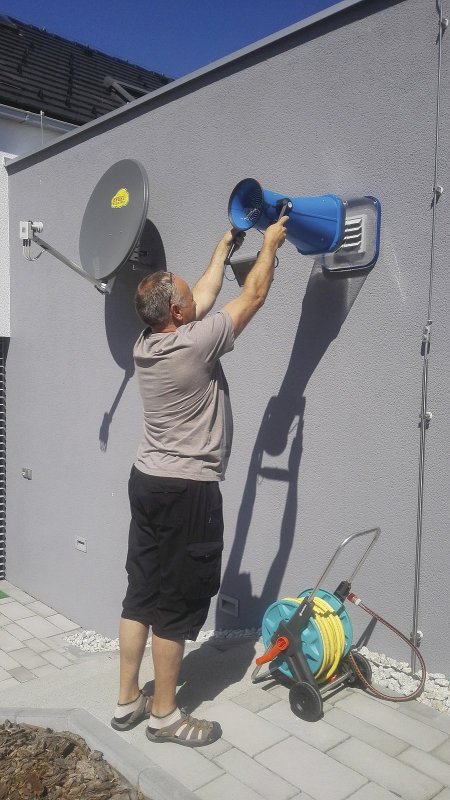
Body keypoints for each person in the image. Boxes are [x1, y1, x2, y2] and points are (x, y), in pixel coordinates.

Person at [111, 215, 288, 747]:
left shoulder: (147, 343)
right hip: (187, 490)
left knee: (140, 595)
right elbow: (252, 296)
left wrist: (222, 248)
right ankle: (165, 715)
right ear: (178, 314)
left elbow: (203, 296)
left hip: (147, 481)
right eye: (187, 300)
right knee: (176, 603)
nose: (196, 301)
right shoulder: (195, 345)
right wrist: (270, 246)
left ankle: (127, 701)